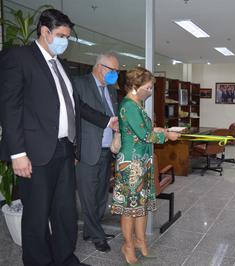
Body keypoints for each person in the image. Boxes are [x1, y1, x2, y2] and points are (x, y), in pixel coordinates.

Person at [0, 9, 118, 266]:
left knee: (64, 212)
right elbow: (10, 108)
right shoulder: (19, 58)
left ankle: (65, 259)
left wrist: (107, 120)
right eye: (61, 35)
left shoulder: (61, 66)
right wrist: (17, 154)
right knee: (37, 216)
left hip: (65, 150)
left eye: (67, 36)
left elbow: (77, 106)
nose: (65, 41)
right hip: (34, 153)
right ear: (45, 31)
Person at [110, 67, 180, 265]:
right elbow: (145, 135)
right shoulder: (129, 106)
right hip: (131, 165)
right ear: (134, 86)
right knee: (129, 209)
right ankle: (128, 245)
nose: (150, 92)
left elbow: (144, 129)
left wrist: (160, 129)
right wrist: (166, 135)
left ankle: (141, 242)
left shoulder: (137, 104)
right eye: (148, 88)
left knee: (140, 207)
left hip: (142, 162)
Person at [74, 52, 120, 252]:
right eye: (113, 70)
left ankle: (91, 230)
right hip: (87, 149)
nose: (116, 75)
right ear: (101, 67)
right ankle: (97, 235)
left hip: (107, 149)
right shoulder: (79, 83)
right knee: (87, 194)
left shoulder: (111, 89)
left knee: (101, 193)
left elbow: (114, 115)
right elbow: (77, 112)